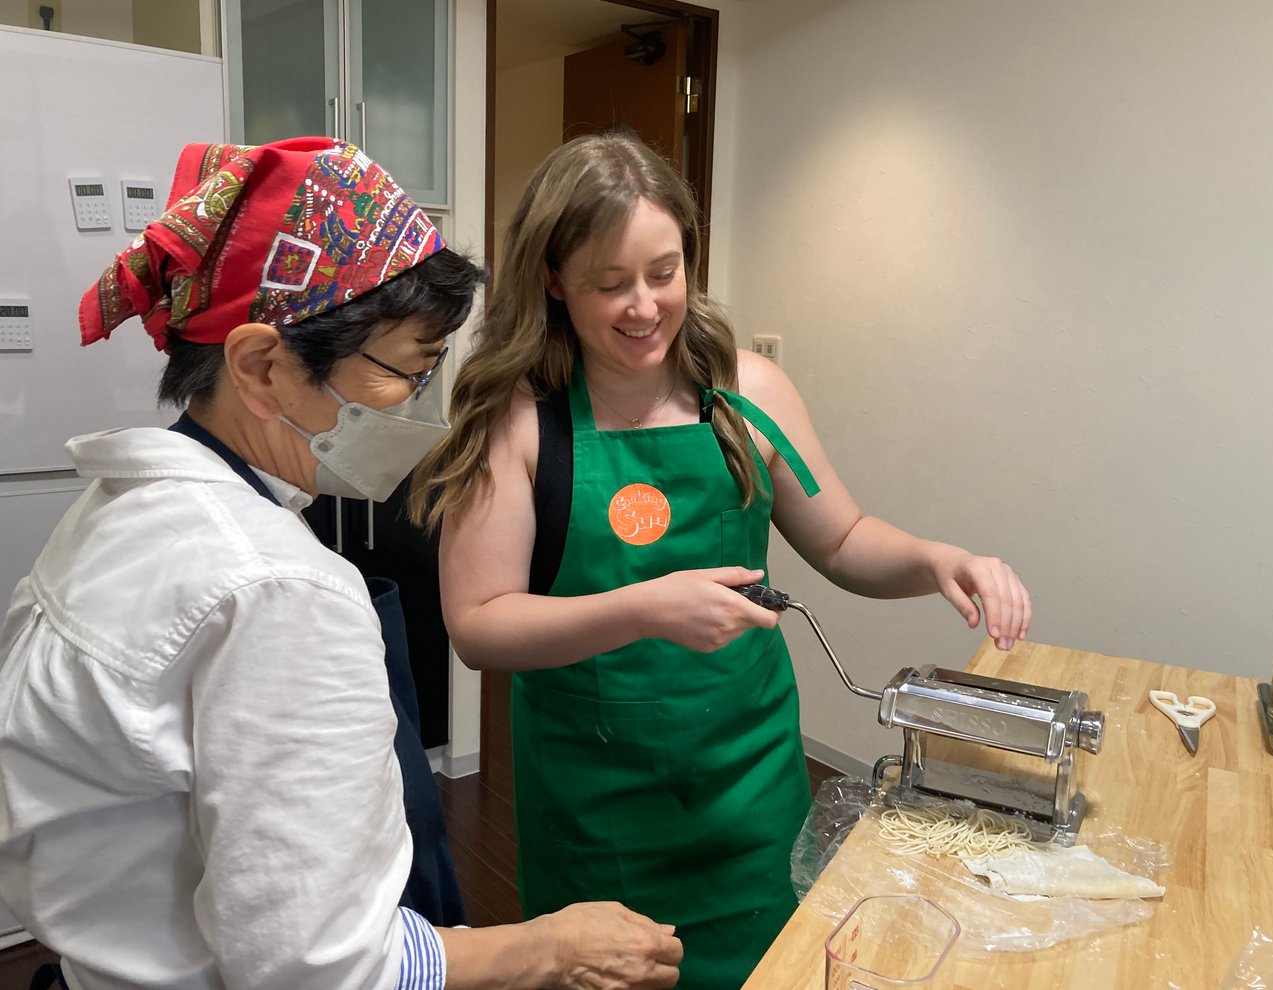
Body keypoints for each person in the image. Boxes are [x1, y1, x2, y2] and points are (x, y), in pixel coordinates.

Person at [0, 136, 682, 990]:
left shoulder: (114, 515)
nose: (420, 411)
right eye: (409, 373)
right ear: (260, 366)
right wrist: (548, 947)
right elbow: (320, 967)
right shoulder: (277, 591)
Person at [409, 130, 1032, 988]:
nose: (644, 307)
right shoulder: (515, 424)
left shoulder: (749, 394)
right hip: (600, 802)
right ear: (553, 280)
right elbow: (478, 624)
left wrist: (935, 559)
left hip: (751, 786)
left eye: (664, 273)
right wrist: (642, 608)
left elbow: (845, 540)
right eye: (609, 283)